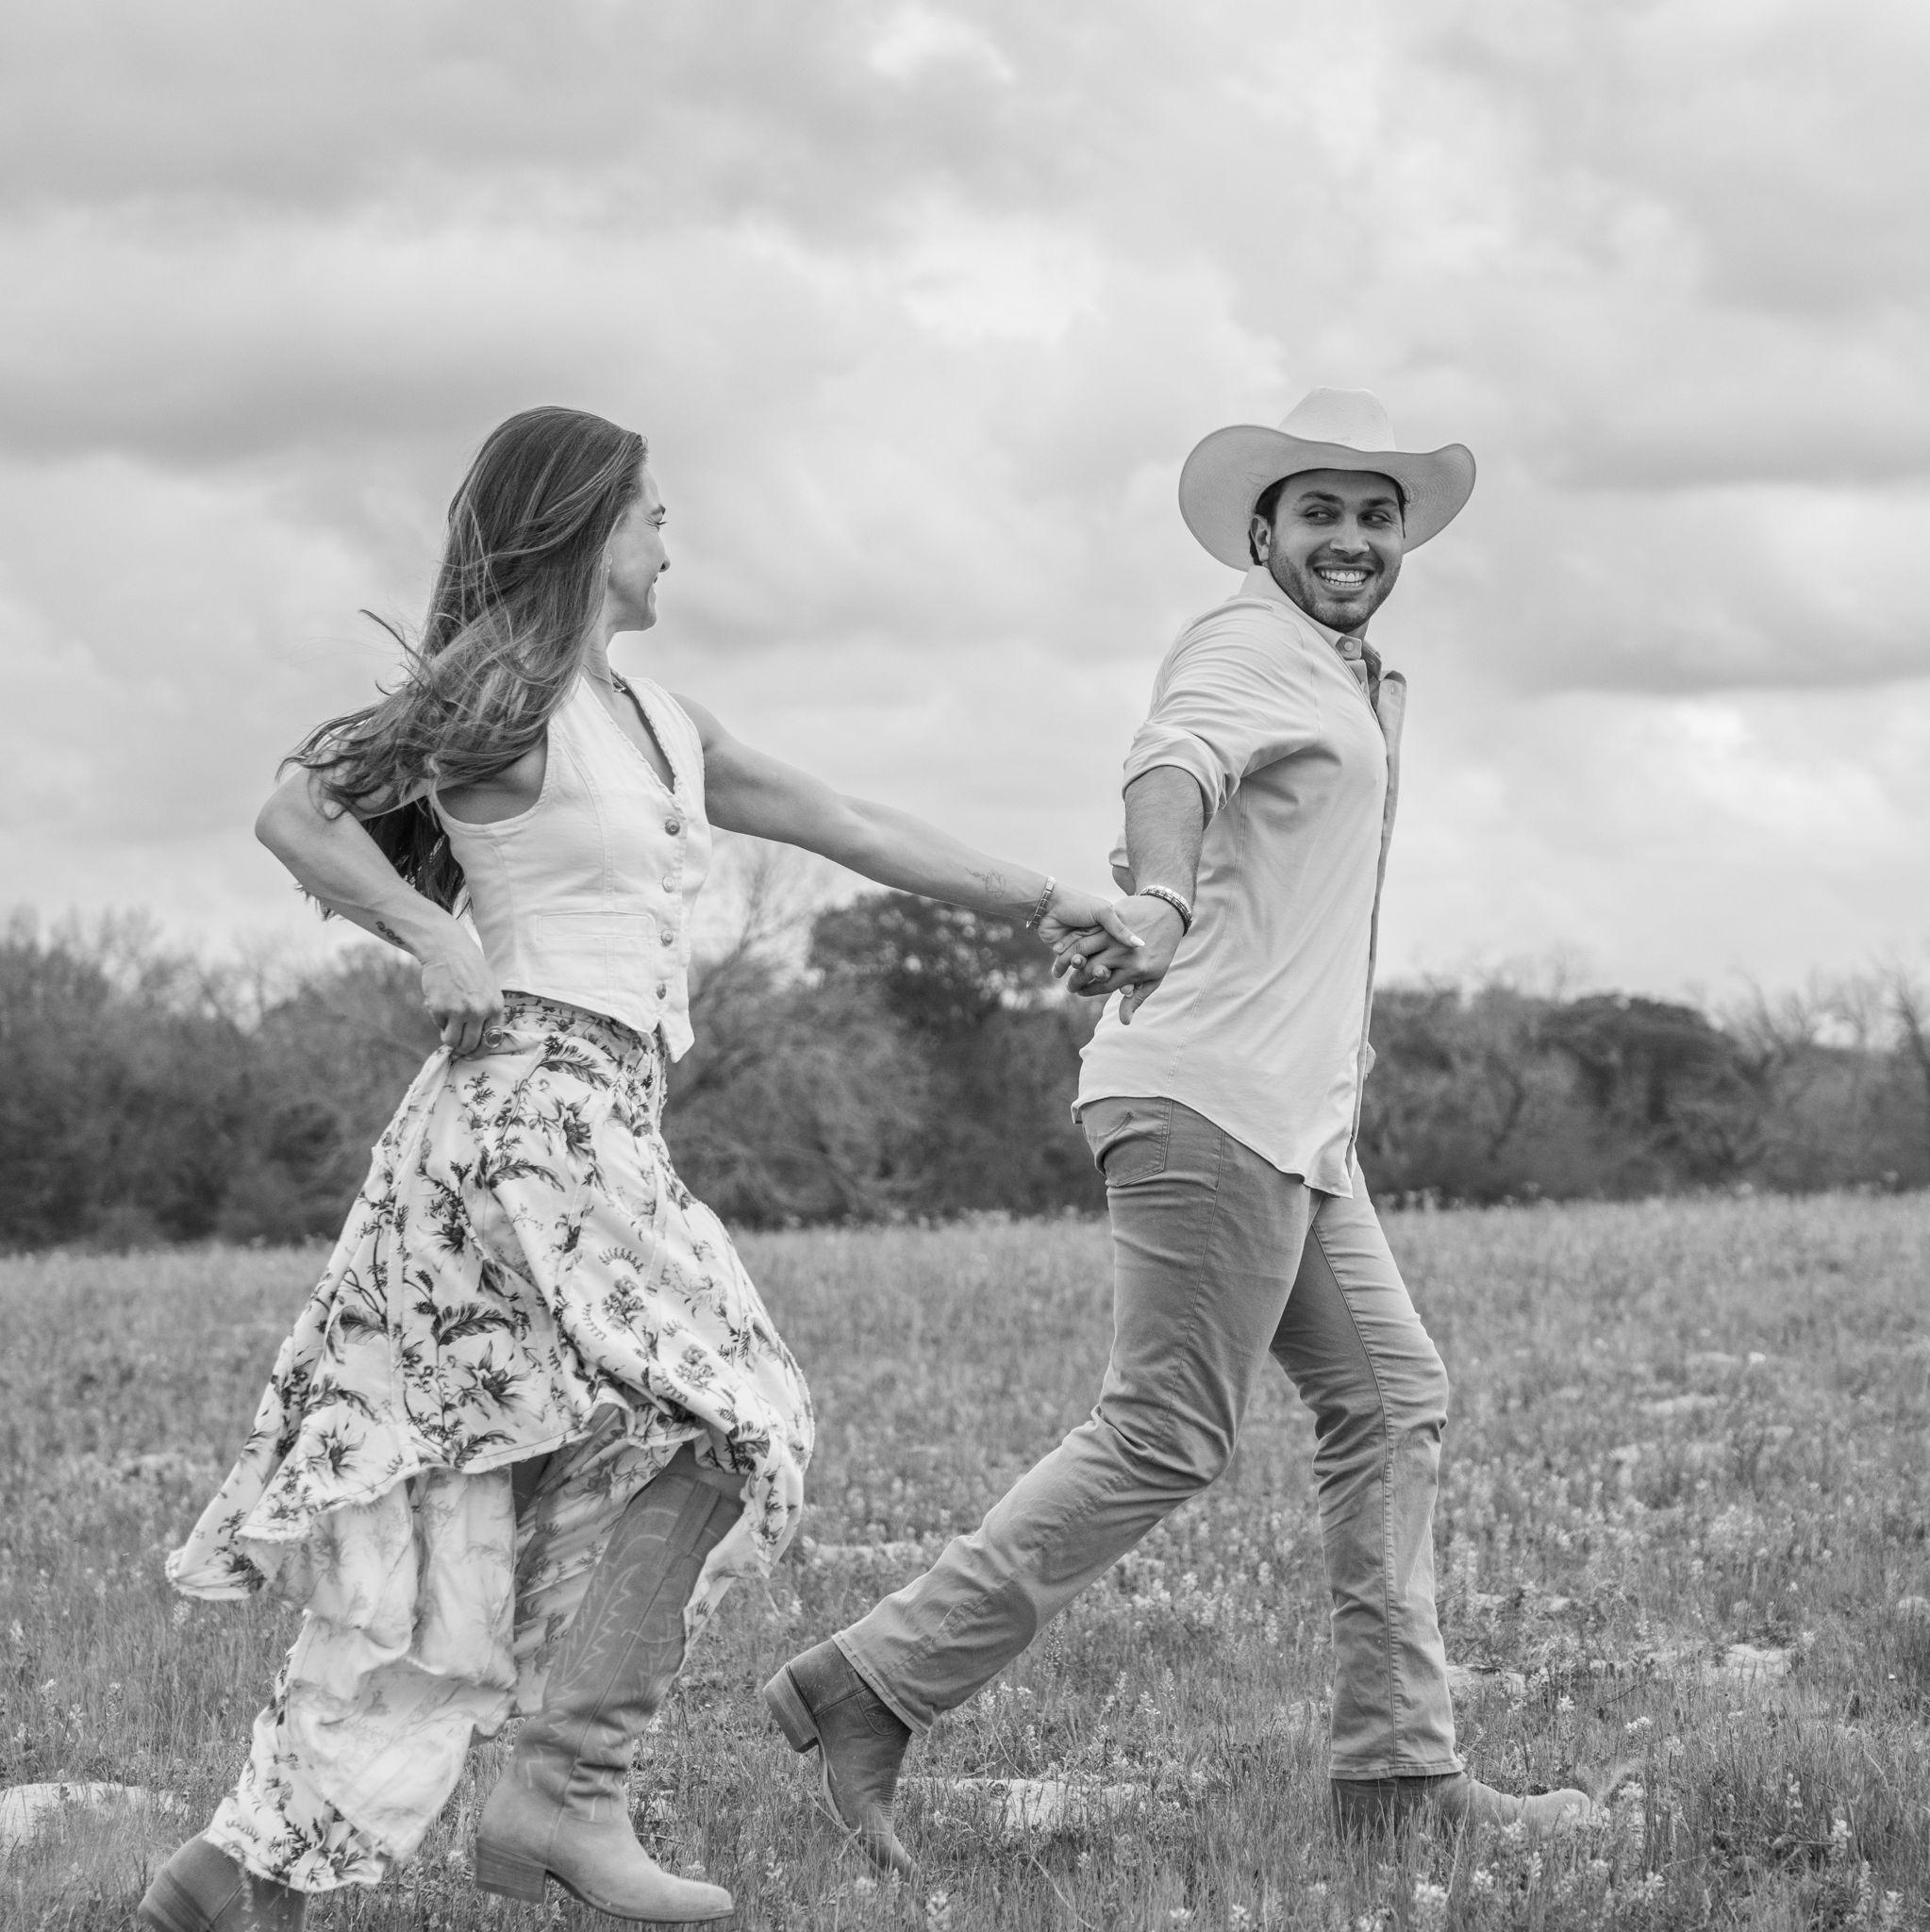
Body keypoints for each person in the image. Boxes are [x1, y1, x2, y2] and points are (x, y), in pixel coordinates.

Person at [137, 404, 1131, 1932]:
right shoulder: (501, 688)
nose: (672, 538)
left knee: (469, 1497)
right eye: (652, 511)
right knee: (731, 1408)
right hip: (522, 1111)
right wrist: (431, 930)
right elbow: (297, 811)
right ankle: (564, 1794)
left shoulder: (662, 722)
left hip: (600, 1113)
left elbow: (846, 819)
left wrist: (1047, 898)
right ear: (585, 521)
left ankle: (228, 1884)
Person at [764, 389, 1590, 1870]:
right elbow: (1175, 762)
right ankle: (870, 1683)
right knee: (1163, 1432)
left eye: (1376, 514)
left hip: (1292, 1119)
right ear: (1261, 533)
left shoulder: (1344, 674)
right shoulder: (1244, 643)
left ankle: (1399, 1774)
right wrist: (1155, 895)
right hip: (1208, 1097)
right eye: (1318, 511)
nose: (1351, 538)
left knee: (1391, 1398)